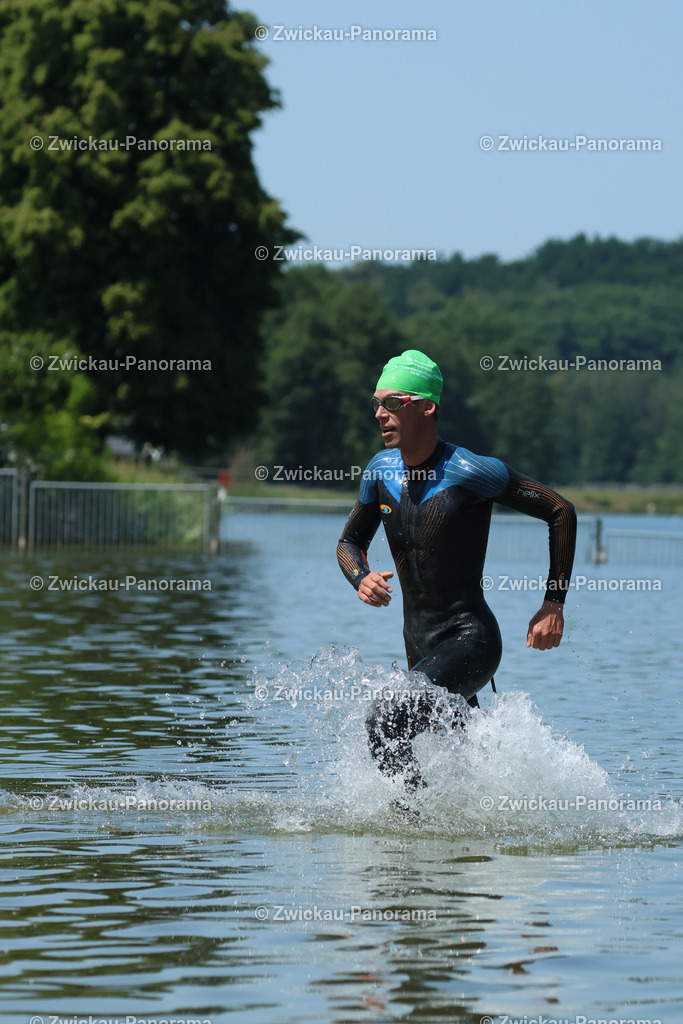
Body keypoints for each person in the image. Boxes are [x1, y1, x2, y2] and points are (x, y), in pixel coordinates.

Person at [337, 349, 577, 794]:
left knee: (385, 721)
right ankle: (465, 840)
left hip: (471, 640)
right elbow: (350, 542)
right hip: (420, 649)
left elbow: (560, 511)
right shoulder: (379, 471)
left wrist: (553, 603)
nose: (379, 414)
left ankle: (409, 830)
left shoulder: (470, 471)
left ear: (426, 407)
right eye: (376, 403)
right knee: (459, 765)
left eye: (392, 403)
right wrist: (360, 576)